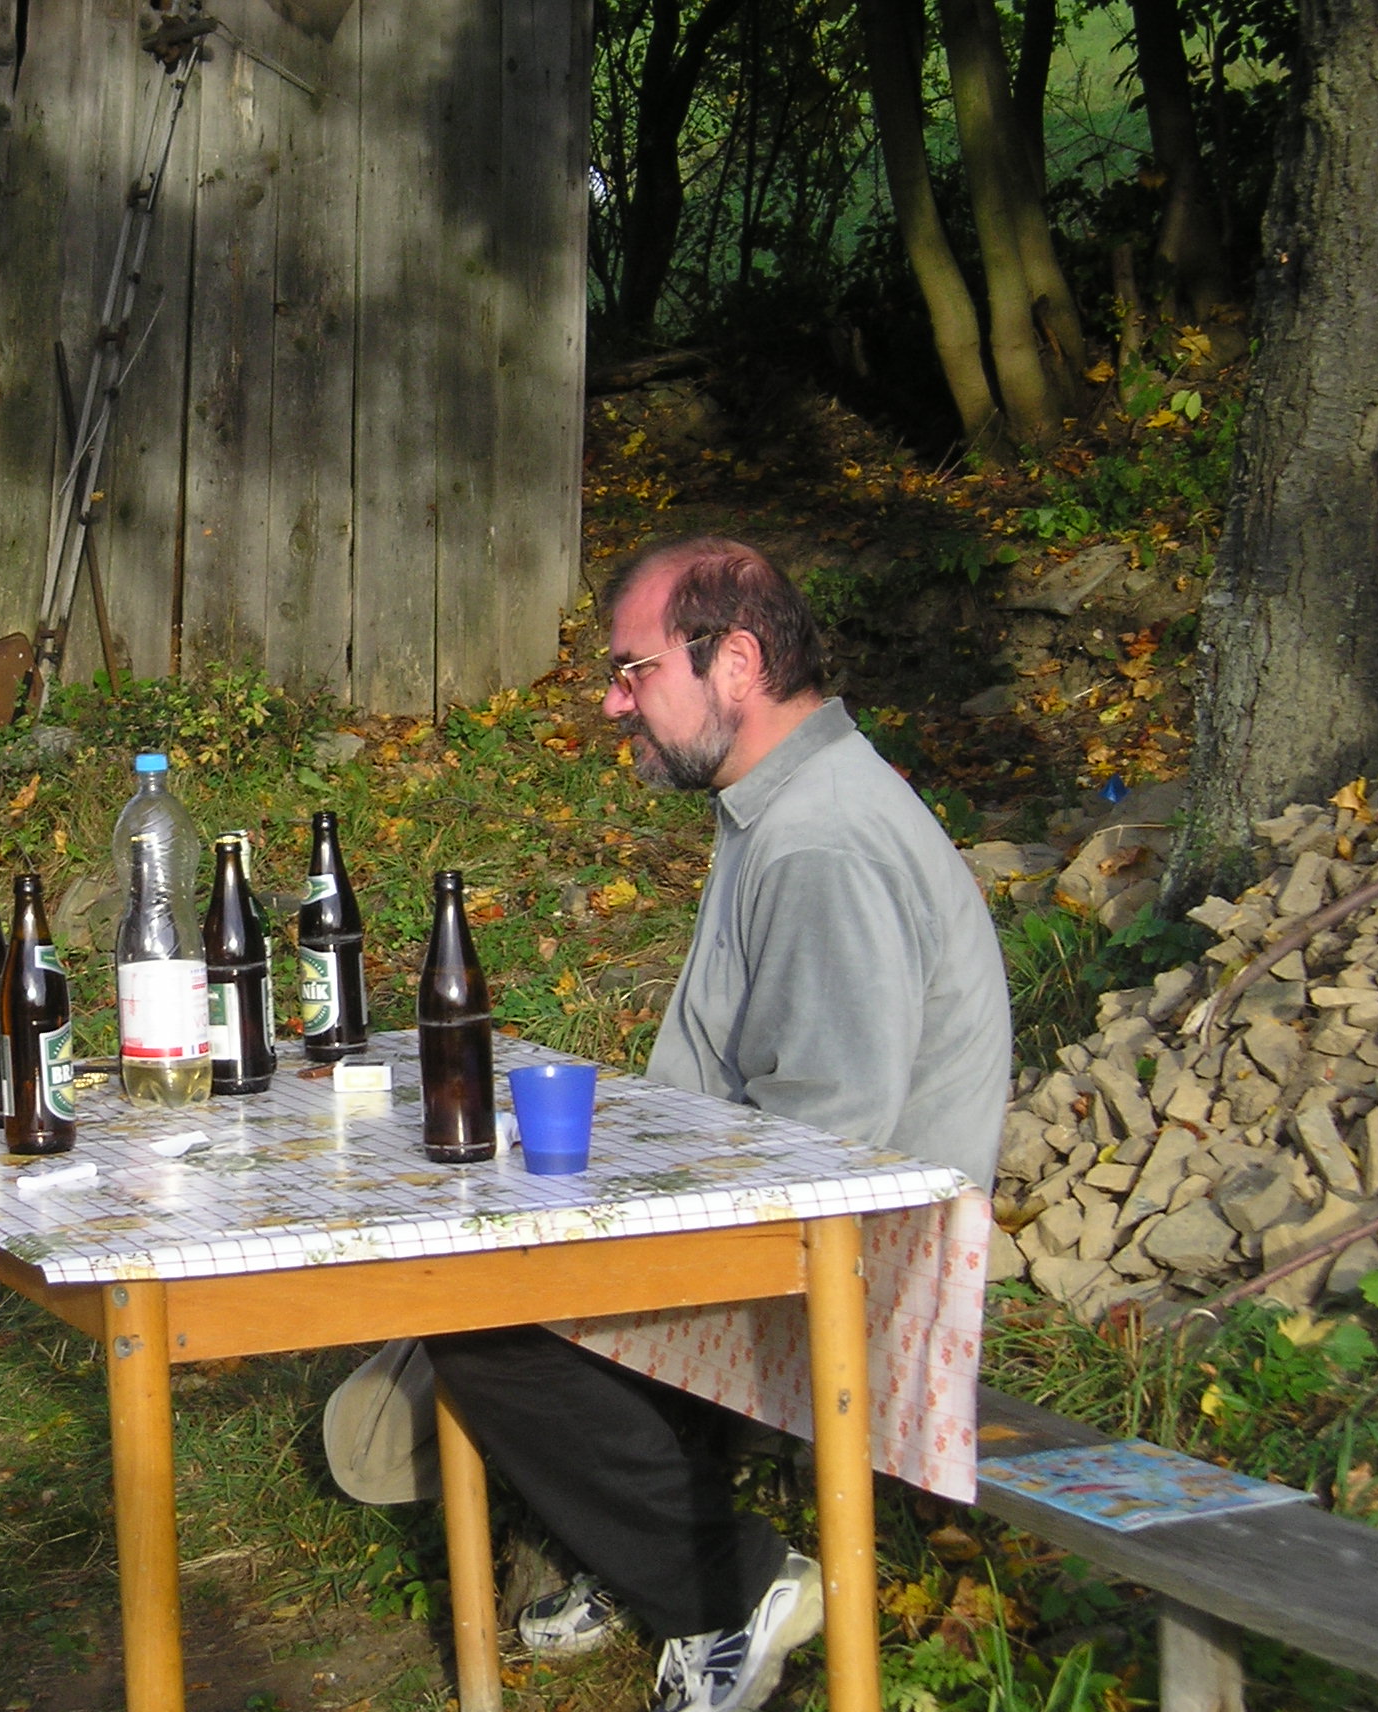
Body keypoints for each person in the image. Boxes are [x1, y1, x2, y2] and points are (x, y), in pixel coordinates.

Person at [323, 536, 1009, 1712]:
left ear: (732, 661)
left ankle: (726, 1587)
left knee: (476, 1317)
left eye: (631, 670)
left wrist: (614, 1220)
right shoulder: (779, 804)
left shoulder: (820, 837)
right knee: (490, 1252)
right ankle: (647, 1545)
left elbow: (828, 1139)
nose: (611, 702)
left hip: (856, 1258)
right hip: (791, 1211)